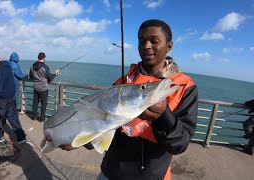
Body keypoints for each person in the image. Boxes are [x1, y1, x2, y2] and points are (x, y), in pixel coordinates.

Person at [53, 19, 198, 180]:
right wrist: (78, 141)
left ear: (169, 46)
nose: (147, 46)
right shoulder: (122, 82)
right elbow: (103, 121)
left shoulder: (184, 86)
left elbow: (180, 144)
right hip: (111, 171)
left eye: (154, 41)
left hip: (152, 175)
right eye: (142, 41)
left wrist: (162, 115)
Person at [0, 52, 27, 144]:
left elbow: (0, 90)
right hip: (12, 97)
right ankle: (21, 137)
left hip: (2, 101)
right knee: (14, 119)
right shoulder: (8, 66)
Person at [29, 52, 59, 121]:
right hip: (43, 89)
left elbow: (30, 76)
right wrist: (55, 74)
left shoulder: (32, 66)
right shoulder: (45, 67)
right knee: (43, 104)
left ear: (38, 58)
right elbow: (50, 78)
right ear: (44, 58)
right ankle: (42, 118)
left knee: (35, 103)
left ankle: (34, 116)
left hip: (36, 87)